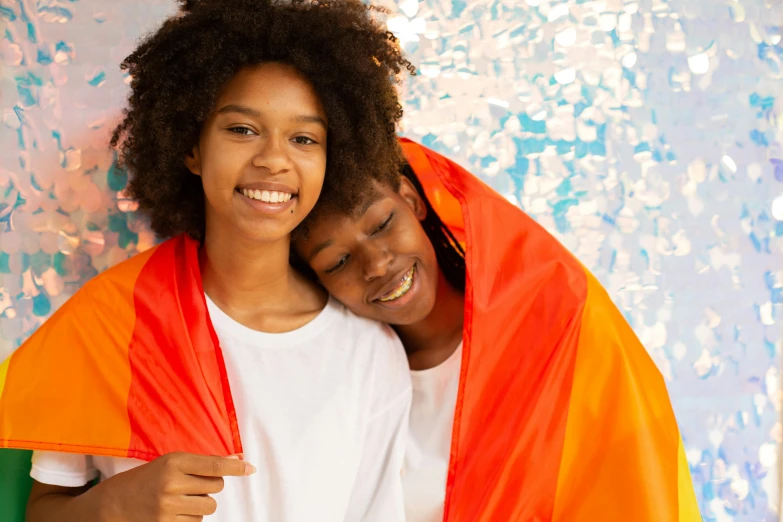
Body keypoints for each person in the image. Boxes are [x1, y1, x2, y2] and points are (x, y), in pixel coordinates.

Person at [0, 1, 415, 520]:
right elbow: (43, 511)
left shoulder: (368, 353)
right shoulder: (109, 322)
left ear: (333, 161)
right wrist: (117, 504)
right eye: (242, 129)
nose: (273, 159)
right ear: (192, 149)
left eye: (305, 139)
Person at [293, 138, 702, 522]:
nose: (376, 263)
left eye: (382, 224)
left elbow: (636, 487)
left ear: (411, 199)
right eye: (338, 262)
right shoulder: (340, 387)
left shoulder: (557, 327)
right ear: (315, 279)